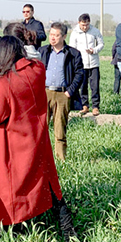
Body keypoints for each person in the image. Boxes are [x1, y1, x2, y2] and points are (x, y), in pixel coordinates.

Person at [0, 36, 77, 242]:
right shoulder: (37, 70)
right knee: (45, 180)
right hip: (36, 134)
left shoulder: (5, 81)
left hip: (12, 140)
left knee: (8, 184)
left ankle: (11, 225)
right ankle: (65, 226)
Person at [39, 22, 84, 161]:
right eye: (51, 34)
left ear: (64, 36)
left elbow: (80, 73)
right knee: (40, 128)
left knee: (59, 129)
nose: (52, 38)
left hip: (63, 95)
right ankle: (40, 158)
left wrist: (70, 92)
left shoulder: (73, 53)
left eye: (56, 35)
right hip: (44, 93)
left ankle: (61, 159)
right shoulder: (43, 51)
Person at [68, 13, 104, 116]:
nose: (85, 27)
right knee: (83, 86)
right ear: (79, 23)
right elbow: (72, 48)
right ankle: (85, 105)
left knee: (95, 86)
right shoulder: (75, 33)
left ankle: (96, 106)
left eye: (87, 24)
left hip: (93, 63)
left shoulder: (95, 31)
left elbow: (101, 44)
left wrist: (94, 50)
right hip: (81, 64)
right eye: (83, 25)